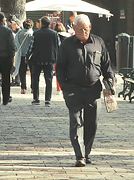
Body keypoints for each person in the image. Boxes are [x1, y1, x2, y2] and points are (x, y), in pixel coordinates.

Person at [55, 14, 115, 167]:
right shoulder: (67, 45)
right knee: (76, 123)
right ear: (74, 28)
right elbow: (60, 68)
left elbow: (107, 66)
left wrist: (110, 82)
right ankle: (79, 155)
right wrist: (65, 88)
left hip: (93, 89)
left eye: (86, 29)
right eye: (80, 29)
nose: (83, 32)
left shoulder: (98, 43)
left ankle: (86, 152)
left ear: (90, 27)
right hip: (73, 89)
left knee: (92, 123)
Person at [28, 16, 60, 106]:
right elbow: (59, 46)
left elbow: (31, 47)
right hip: (50, 59)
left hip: (37, 59)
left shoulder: (36, 33)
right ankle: (47, 100)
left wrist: (27, 56)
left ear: (41, 23)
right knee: (49, 80)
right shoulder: (54, 34)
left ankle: (36, 98)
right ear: (49, 24)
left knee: (35, 79)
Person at [14, 18, 34, 95]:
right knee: (33, 72)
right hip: (31, 56)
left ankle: (23, 88)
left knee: (22, 72)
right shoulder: (32, 34)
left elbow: (15, 44)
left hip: (21, 55)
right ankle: (33, 88)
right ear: (31, 25)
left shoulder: (19, 34)